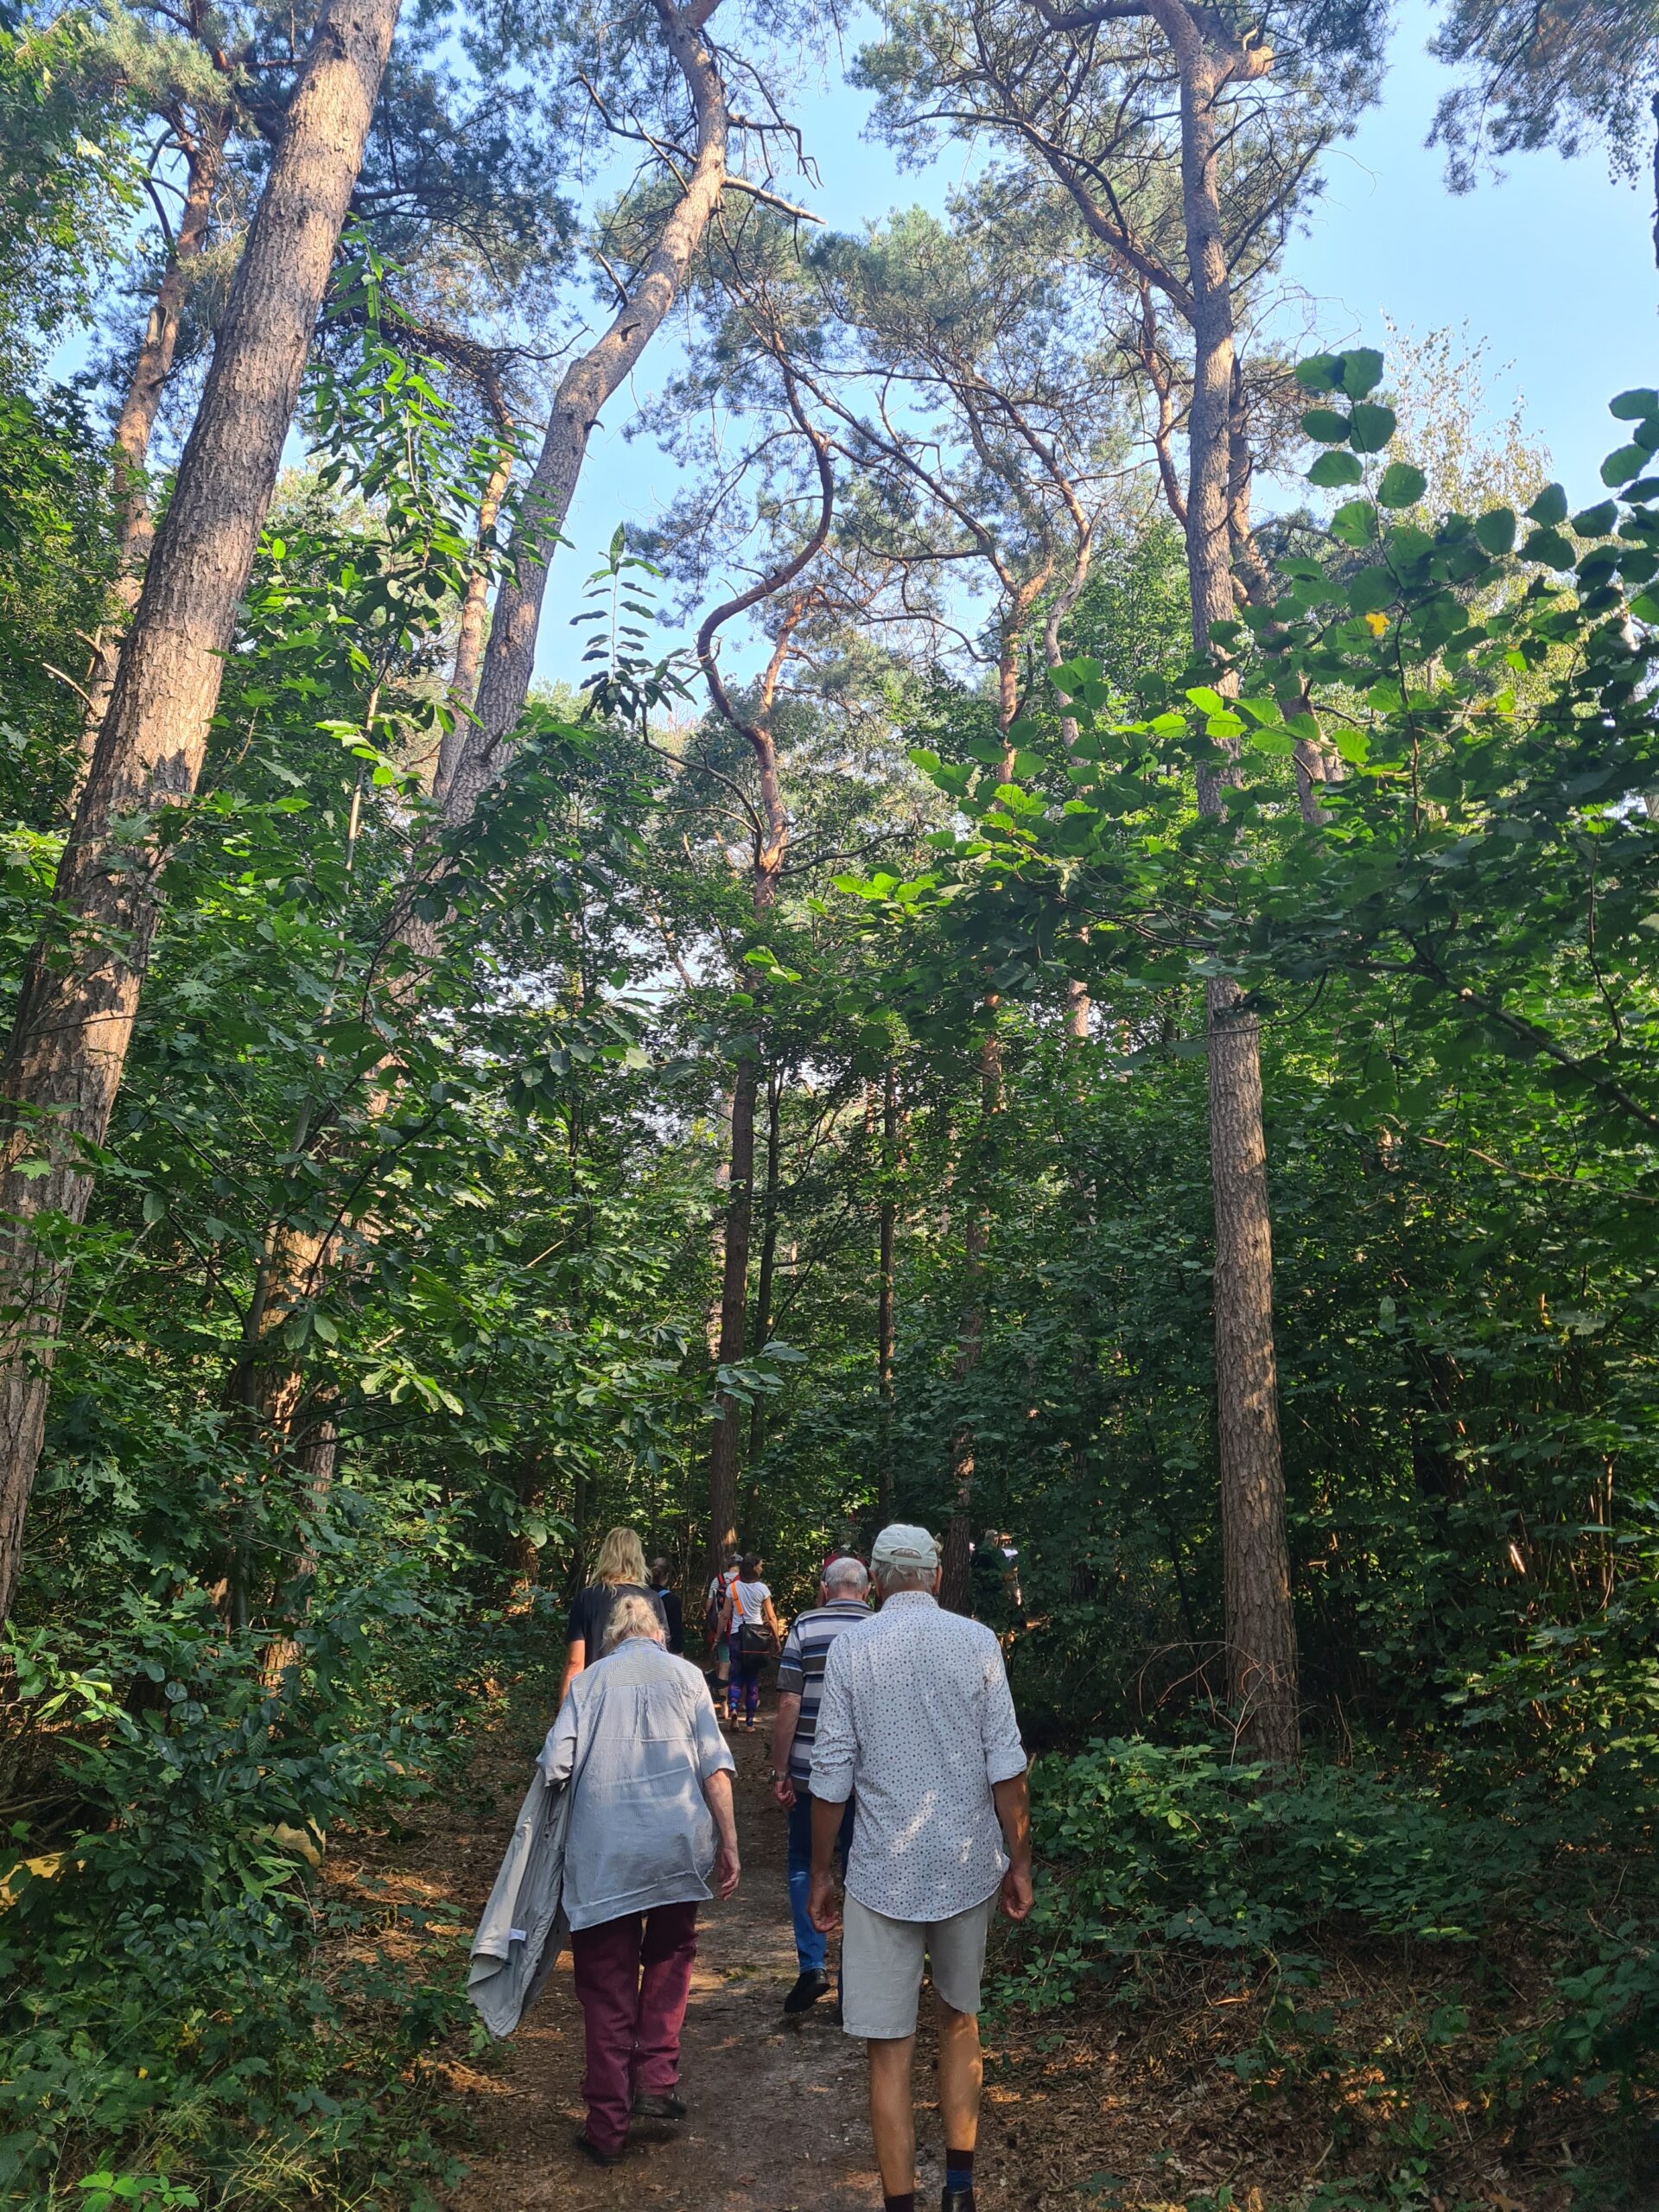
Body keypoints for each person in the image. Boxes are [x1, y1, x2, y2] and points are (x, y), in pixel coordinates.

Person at [808, 1523, 1033, 2212]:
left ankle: (901, 2203)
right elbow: (1007, 1763)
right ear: (936, 1578)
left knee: (889, 2050)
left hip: (881, 1873)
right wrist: (1017, 1858)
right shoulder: (977, 1643)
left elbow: (831, 1773)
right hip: (965, 1864)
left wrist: (822, 1872)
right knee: (959, 2020)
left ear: (875, 1581)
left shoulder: (852, 1648)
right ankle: (960, 2189)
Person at [542, 1593, 741, 2166]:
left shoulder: (588, 1684)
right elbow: (715, 1767)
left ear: (611, 1636)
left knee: (605, 1988)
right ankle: (656, 2079)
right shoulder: (687, 1678)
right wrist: (728, 1844)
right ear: (658, 1633)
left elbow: (556, 1766)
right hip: (676, 1850)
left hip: (604, 1857)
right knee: (670, 1957)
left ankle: (606, 2128)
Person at [769, 1554, 870, 2015]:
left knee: (805, 1862)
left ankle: (812, 1965)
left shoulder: (806, 1627)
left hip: (813, 1772)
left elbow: (790, 1701)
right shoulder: (883, 1628)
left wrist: (781, 1769)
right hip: (871, 1779)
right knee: (860, 1873)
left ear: (826, 1589)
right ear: (867, 1590)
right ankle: (856, 1987)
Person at [562, 1527, 668, 1703]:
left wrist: (564, 1717)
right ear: (638, 1557)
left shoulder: (587, 1598)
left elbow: (575, 1663)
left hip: (596, 1700)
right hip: (640, 1700)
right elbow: (660, 1658)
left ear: (606, 1555)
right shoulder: (653, 1599)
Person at [719, 1551, 782, 1731]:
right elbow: (771, 1616)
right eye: (761, 1565)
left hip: (737, 1636)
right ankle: (749, 1723)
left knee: (736, 1675)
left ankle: (732, 1708)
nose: (762, 1568)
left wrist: (717, 1637)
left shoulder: (733, 1588)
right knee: (752, 1679)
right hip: (756, 1639)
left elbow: (725, 1615)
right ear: (754, 1567)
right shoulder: (762, 1589)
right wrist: (776, 1639)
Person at [704, 1543, 739, 1705]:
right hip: (740, 1630)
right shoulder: (744, 1581)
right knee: (741, 1667)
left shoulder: (717, 1580)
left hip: (721, 1628)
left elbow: (708, 1605)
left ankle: (724, 1706)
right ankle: (738, 1703)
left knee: (723, 1666)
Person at [648, 1556, 684, 1655]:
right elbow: (676, 1632)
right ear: (667, 1575)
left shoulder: (640, 1596)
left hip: (644, 1650)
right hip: (667, 1652)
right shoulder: (672, 1600)